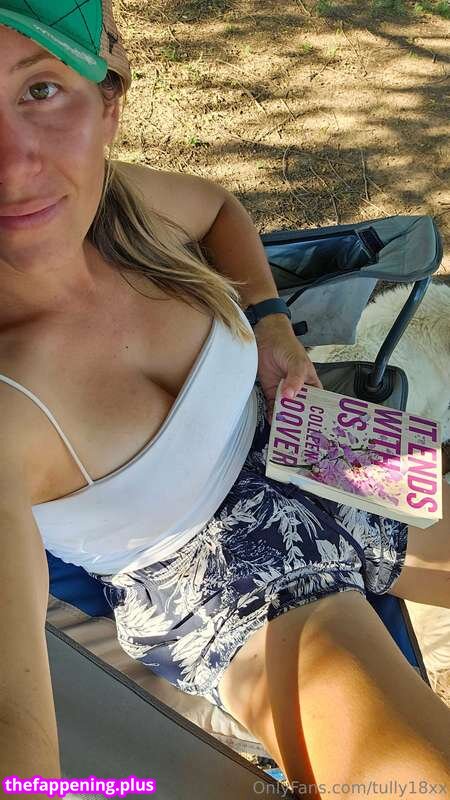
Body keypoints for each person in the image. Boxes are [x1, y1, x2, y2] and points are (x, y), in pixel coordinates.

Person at [0, 1, 448, 794]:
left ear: (108, 103)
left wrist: (271, 321)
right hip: (228, 586)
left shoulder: (115, 207)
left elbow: (219, 211)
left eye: (39, 90)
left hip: (311, 437)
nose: (10, 165)